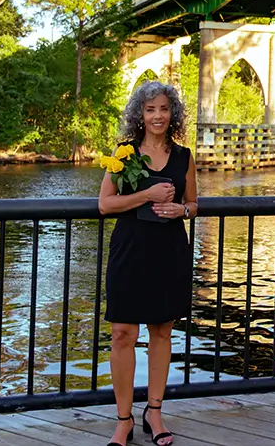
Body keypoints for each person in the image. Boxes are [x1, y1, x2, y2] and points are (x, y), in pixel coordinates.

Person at [98, 81, 197, 446]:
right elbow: (105, 205)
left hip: (168, 250)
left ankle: (154, 412)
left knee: (162, 331)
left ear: (173, 114)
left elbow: (193, 205)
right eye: (150, 109)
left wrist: (180, 210)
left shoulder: (185, 156)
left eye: (164, 109)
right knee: (123, 333)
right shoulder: (124, 153)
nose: (157, 115)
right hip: (129, 250)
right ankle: (123, 419)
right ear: (140, 114)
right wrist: (148, 194)